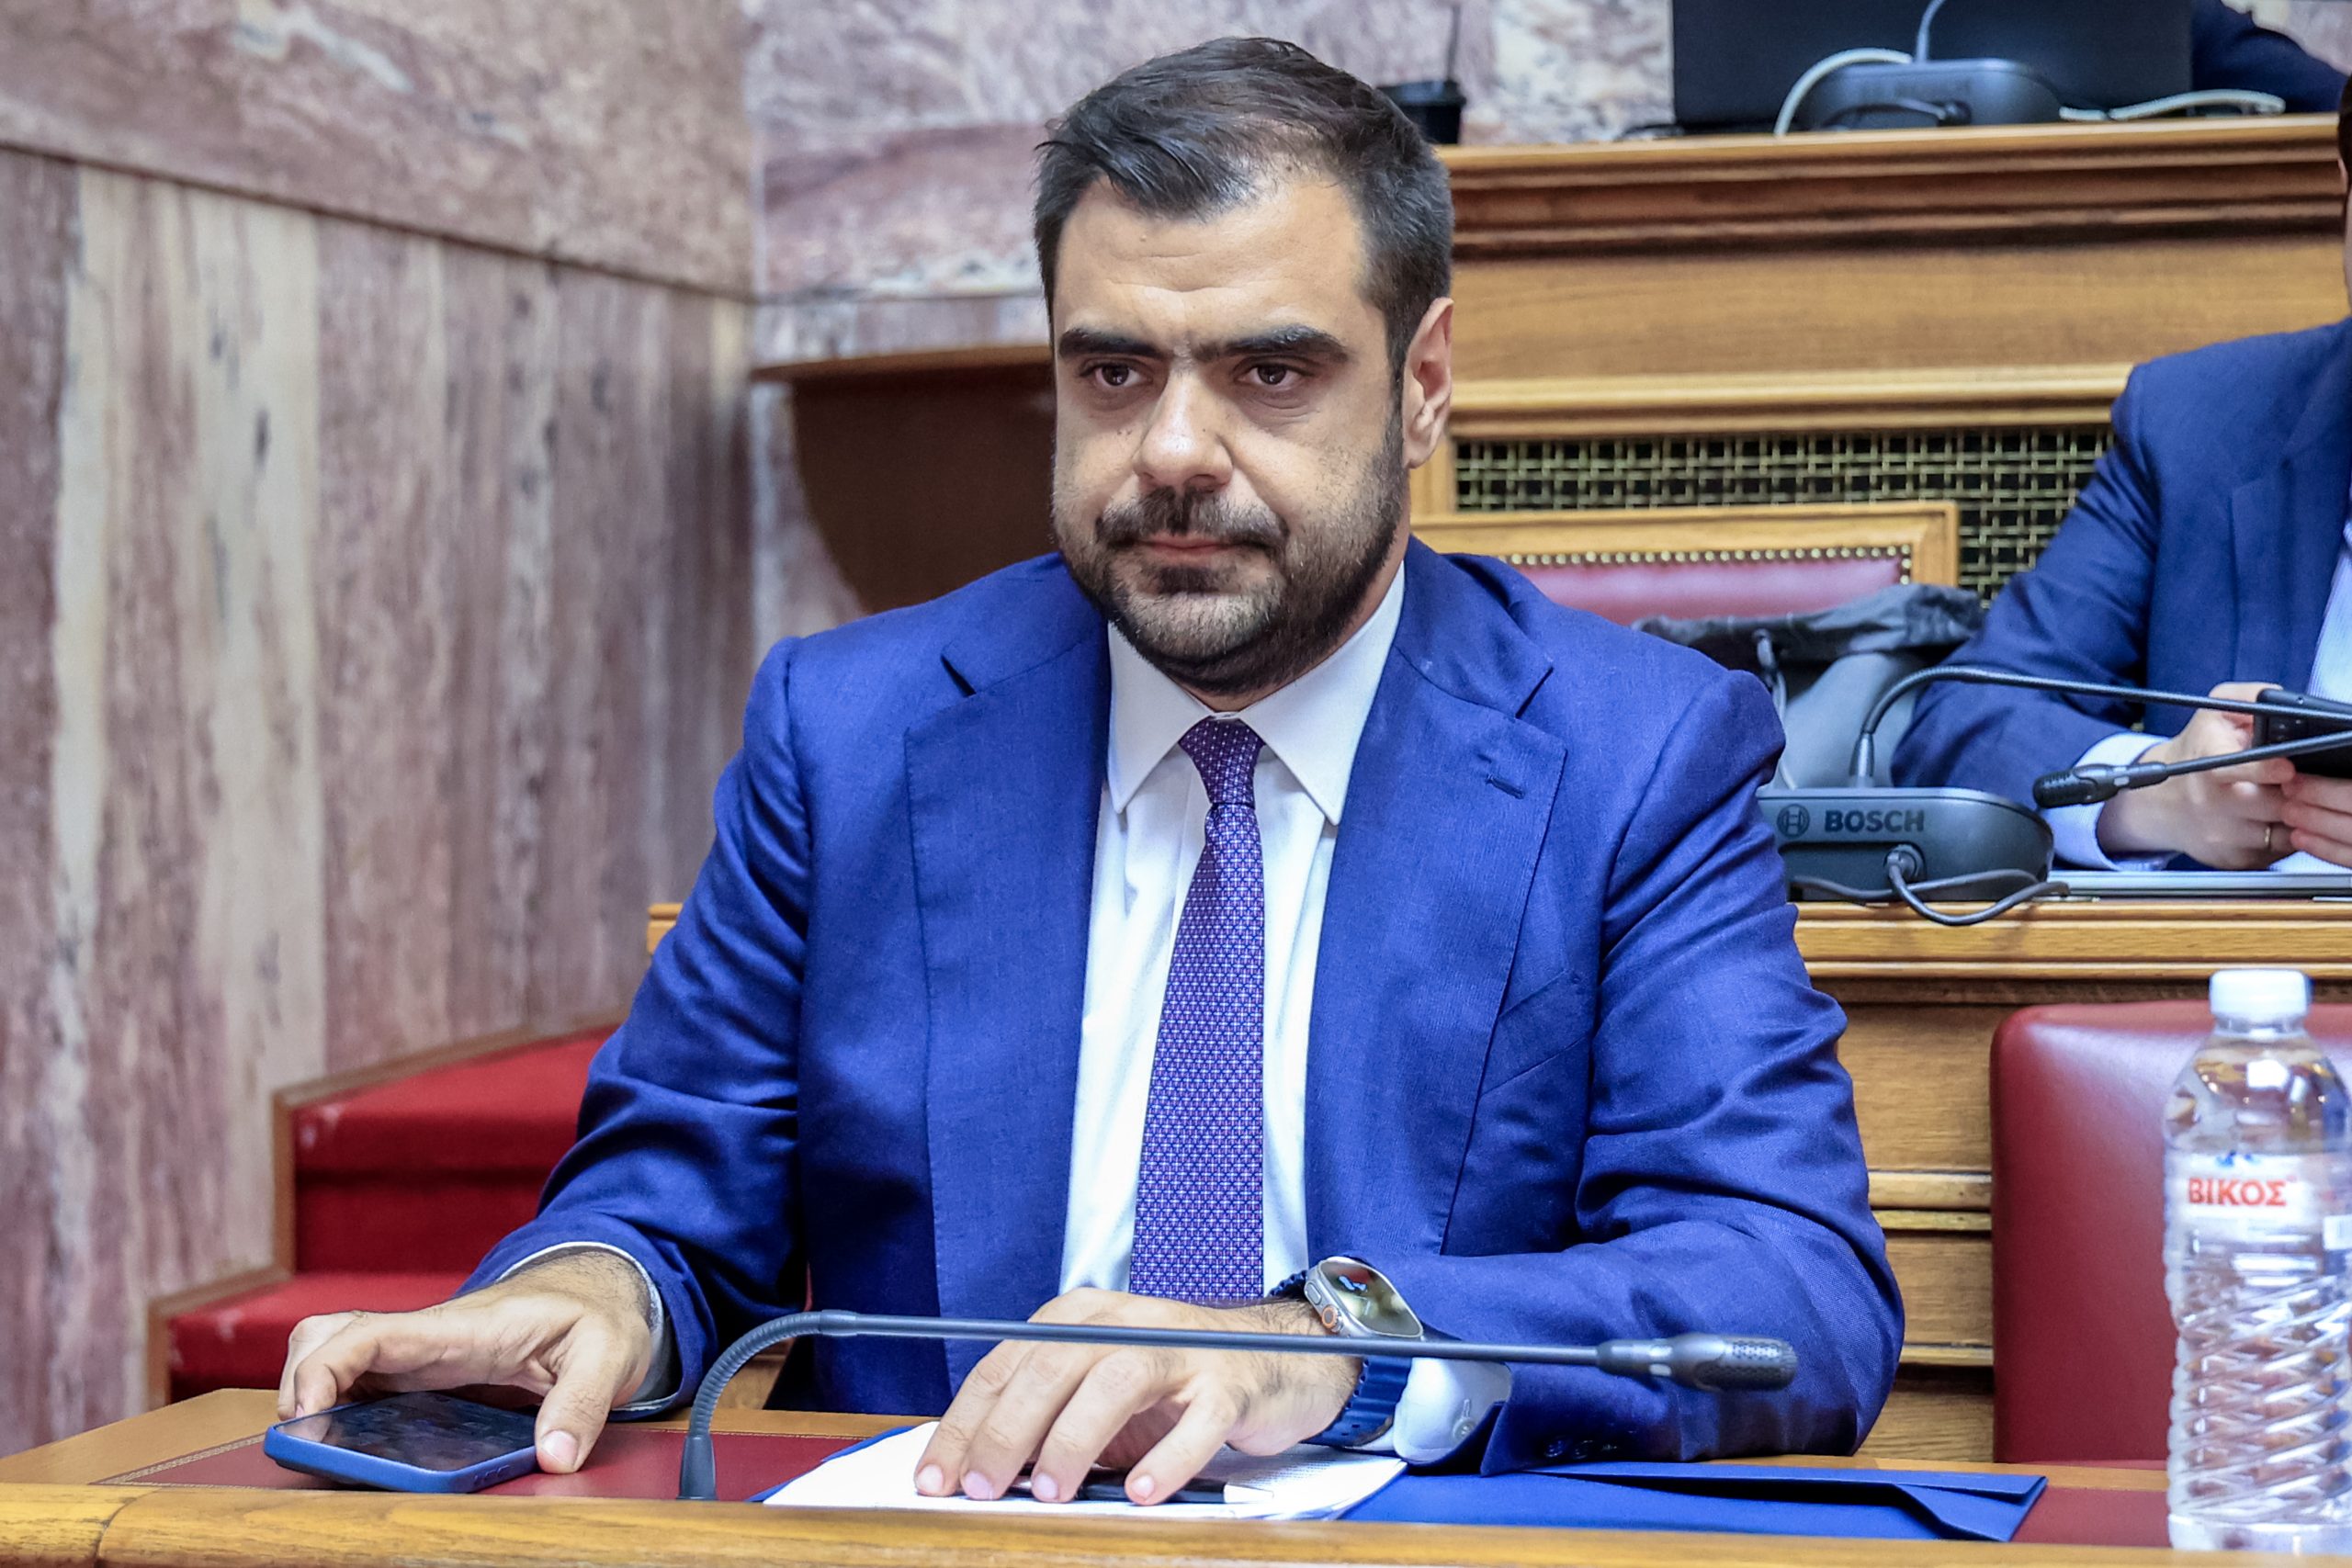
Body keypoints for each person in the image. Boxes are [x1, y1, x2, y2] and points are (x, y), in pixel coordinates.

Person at [277, 38, 1899, 1504]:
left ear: (1421, 388)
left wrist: (1323, 1346)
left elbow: (1789, 1291)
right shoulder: (852, 733)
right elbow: (672, 1191)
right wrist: (587, 1292)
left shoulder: (1631, 755)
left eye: (1270, 373)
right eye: (1113, 372)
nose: (1174, 451)